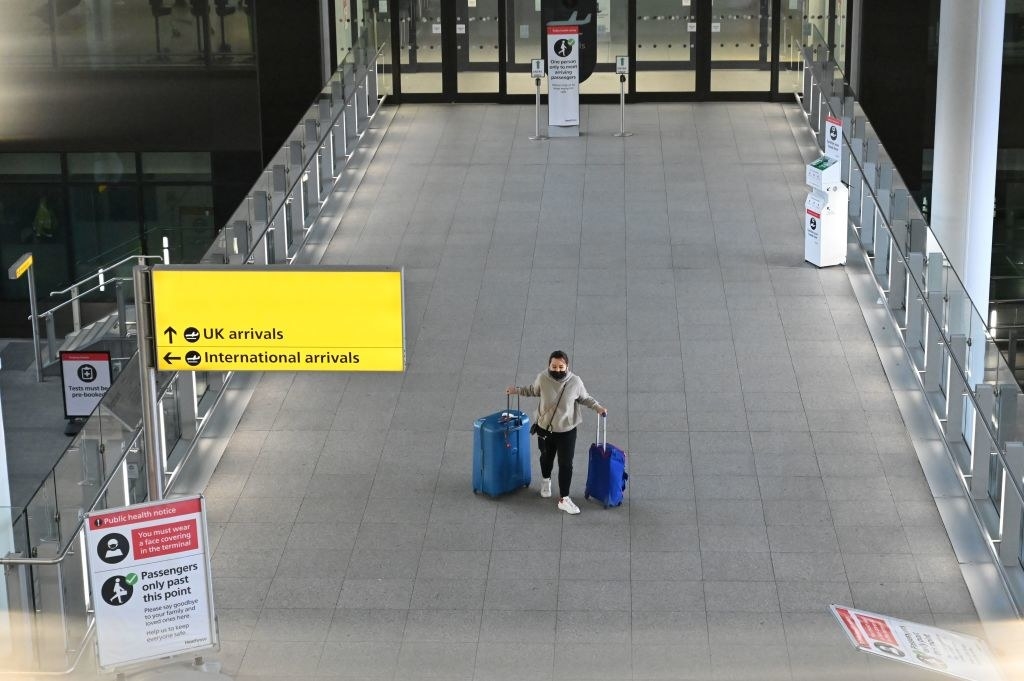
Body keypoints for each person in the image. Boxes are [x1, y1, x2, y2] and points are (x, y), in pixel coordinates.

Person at [507, 350, 607, 515]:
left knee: (566, 464)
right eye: (554, 366)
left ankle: (564, 498)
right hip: (545, 428)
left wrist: (598, 407)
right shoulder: (542, 378)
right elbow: (533, 390)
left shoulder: (575, 382)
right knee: (546, 457)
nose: (558, 369)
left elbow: (585, 398)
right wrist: (516, 390)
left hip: (567, 431)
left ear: (567, 366)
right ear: (549, 365)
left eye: (561, 366)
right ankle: (546, 481)